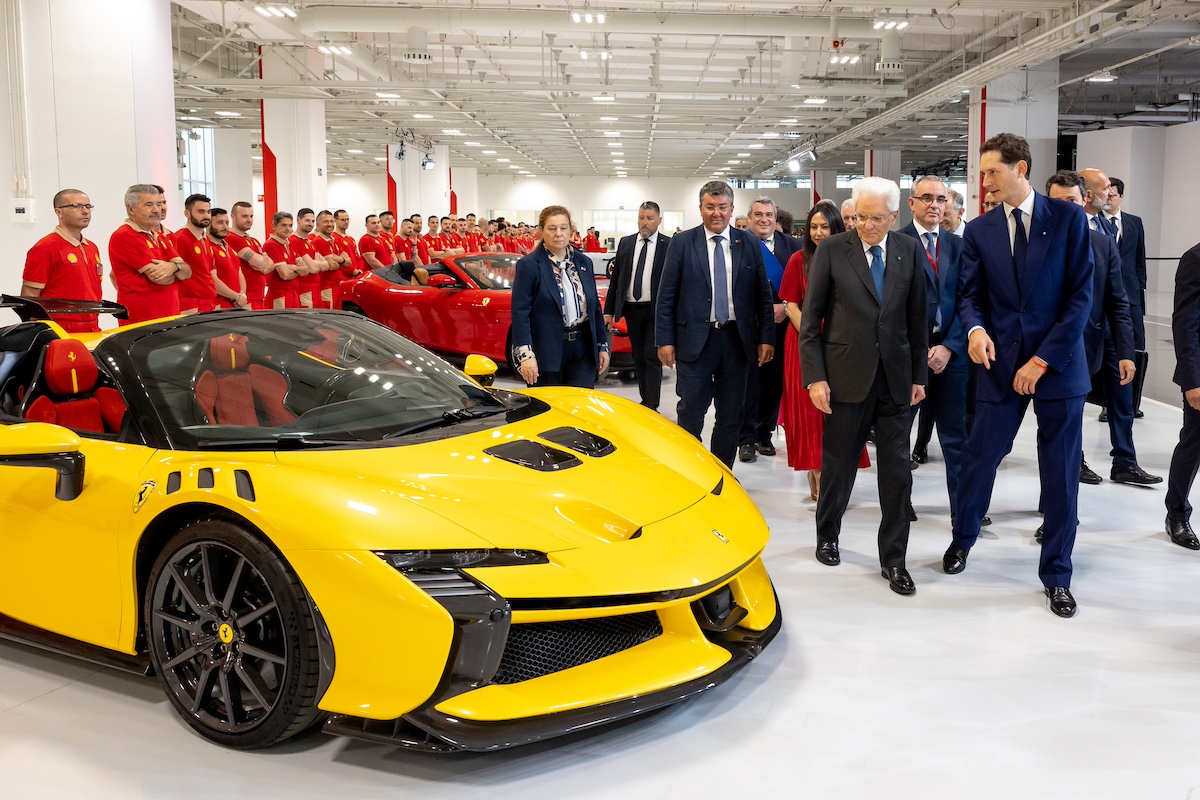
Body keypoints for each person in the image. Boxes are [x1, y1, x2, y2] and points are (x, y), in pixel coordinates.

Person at [944, 133, 1094, 619]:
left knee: (1060, 472)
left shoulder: (1069, 219)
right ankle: (962, 540)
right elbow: (970, 297)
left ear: (1021, 168)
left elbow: (1079, 299)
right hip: (998, 363)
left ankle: (1057, 574)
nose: (984, 181)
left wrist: (1043, 360)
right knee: (979, 458)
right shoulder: (980, 230)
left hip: (1058, 367)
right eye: (982, 172)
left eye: (992, 172)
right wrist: (976, 329)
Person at [800, 177, 927, 596]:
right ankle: (827, 534)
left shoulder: (909, 251)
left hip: (894, 381)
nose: (866, 226)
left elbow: (917, 321)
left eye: (876, 218)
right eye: (860, 217)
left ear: (894, 217)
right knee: (838, 466)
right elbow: (811, 321)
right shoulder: (835, 250)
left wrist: (918, 377)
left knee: (896, 474)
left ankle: (894, 559)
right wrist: (815, 377)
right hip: (844, 377)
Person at [656, 180, 774, 468]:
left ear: (732, 209)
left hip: (737, 342)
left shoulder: (748, 244)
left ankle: (721, 474)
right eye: (710, 207)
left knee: (730, 415)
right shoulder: (683, 243)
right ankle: (691, 473)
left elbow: (763, 296)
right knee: (690, 413)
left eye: (722, 207)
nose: (716, 213)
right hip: (695, 342)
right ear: (700, 209)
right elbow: (666, 295)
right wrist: (665, 340)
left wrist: (766, 338)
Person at [778, 201, 868, 500]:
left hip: (841, 345)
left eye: (825, 226)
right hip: (803, 344)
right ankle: (815, 471)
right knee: (807, 410)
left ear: (837, 228)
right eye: (814, 227)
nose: (818, 232)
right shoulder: (796, 260)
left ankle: (834, 472)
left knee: (838, 410)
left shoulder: (849, 259)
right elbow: (789, 303)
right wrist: (811, 330)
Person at [897, 176, 968, 523]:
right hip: (910, 357)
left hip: (951, 356)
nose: (934, 205)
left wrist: (950, 347)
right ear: (911, 203)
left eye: (941, 199)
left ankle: (963, 509)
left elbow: (970, 301)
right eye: (926, 198)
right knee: (899, 435)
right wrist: (920, 350)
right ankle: (899, 502)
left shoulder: (957, 246)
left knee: (956, 439)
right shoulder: (896, 243)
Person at [511, 205, 609, 388]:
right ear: (541, 231)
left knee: (581, 407)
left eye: (563, 228)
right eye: (552, 228)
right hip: (546, 350)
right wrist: (525, 355)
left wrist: (602, 346)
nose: (559, 234)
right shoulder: (529, 265)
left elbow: (594, 307)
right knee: (552, 409)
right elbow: (520, 313)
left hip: (582, 349)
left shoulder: (584, 262)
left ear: (571, 230)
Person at [738, 196, 801, 462]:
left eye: (769, 215)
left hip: (784, 327)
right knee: (747, 384)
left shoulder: (794, 246)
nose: (764, 219)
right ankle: (746, 438)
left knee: (775, 384)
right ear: (749, 219)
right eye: (758, 215)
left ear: (776, 219)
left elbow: (801, 285)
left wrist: (785, 307)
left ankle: (765, 433)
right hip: (748, 327)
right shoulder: (738, 245)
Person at [603, 201, 669, 410]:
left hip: (655, 311)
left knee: (652, 357)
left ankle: (652, 404)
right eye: (641, 218)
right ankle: (645, 400)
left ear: (659, 220)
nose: (645, 222)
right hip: (632, 310)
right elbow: (617, 280)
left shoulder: (668, 245)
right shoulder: (626, 243)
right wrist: (609, 311)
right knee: (638, 356)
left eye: (650, 218)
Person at [21, 188, 104, 332]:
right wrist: (34, 332)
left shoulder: (92, 247)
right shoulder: (46, 247)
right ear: (58, 212)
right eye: (76, 206)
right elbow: (30, 295)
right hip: (60, 329)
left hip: (91, 327)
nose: (85, 211)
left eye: (88, 206)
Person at [108, 184, 191, 325]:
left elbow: (187, 272)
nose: (156, 210)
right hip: (142, 321)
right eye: (148, 205)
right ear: (131, 209)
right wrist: (177, 269)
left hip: (167, 316)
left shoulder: (159, 236)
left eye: (158, 204)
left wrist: (174, 267)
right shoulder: (126, 235)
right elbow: (160, 278)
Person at [1105, 176, 1150, 418]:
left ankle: (1134, 403)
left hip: (1131, 297)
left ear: (1121, 196)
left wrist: (1140, 293)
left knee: (1136, 349)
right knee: (1109, 350)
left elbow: (1139, 260)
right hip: (1105, 298)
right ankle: (1106, 403)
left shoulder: (1135, 223)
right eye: (1106, 193)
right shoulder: (1096, 224)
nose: (1109, 197)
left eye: (1113, 194)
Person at [1166, 238, 1200, 550]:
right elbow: (1185, 324)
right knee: (1194, 442)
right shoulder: (1195, 258)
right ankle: (1176, 512)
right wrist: (1192, 381)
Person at [173, 193, 218, 313]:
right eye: (201, 212)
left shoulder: (205, 238)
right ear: (187, 213)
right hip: (190, 305)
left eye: (208, 212)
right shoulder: (180, 238)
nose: (206, 216)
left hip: (208, 302)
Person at [224, 201, 273, 309]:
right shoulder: (232, 238)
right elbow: (260, 262)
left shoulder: (253, 240)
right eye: (244, 216)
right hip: (246, 298)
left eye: (251, 216)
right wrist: (264, 262)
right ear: (233, 216)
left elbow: (271, 266)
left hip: (259, 296)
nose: (249, 220)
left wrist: (264, 264)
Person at [207, 207, 250, 309]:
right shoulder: (207, 247)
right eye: (220, 223)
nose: (225, 226)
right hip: (218, 305)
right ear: (208, 224)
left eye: (227, 222)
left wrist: (242, 295)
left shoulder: (229, 248)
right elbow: (213, 280)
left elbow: (239, 272)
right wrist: (236, 296)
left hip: (236, 305)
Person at [261, 211, 305, 309]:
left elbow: (306, 270)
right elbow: (285, 275)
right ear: (274, 226)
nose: (288, 229)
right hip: (279, 296)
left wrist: (292, 267)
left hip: (293, 294)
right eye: (284, 225)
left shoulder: (290, 244)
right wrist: (298, 268)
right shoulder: (271, 245)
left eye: (290, 225)